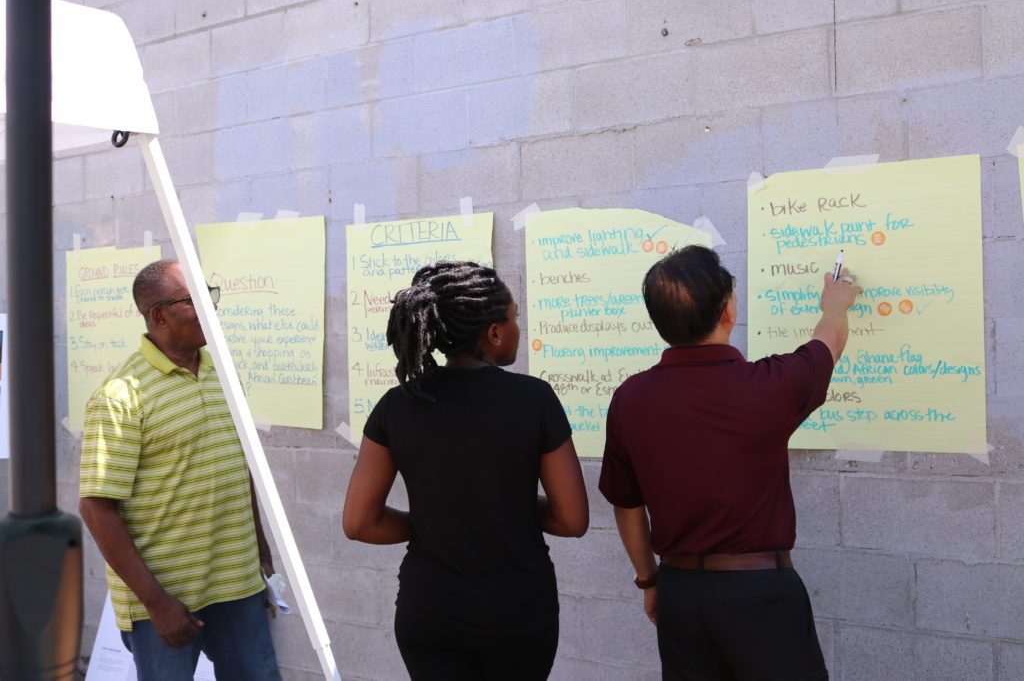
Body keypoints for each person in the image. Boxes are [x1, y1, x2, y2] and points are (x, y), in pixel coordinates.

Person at [599, 245, 862, 681]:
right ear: (728, 311)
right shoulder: (768, 385)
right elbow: (828, 341)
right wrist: (835, 303)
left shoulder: (631, 397)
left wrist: (649, 581)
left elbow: (627, 505)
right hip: (760, 595)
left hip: (680, 594)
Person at [343, 260, 589, 680]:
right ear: (493, 333)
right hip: (516, 612)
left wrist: (434, 522)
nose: (517, 328)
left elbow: (360, 523)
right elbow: (572, 520)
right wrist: (502, 510)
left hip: (429, 611)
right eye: (514, 319)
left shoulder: (396, 405)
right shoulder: (534, 400)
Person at [79, 259, 281, 681]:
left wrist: (260, 551)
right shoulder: (119, 396)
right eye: (195, 300)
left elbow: (236, 465)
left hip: (237, 582)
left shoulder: (223, 374)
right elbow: (97, 509)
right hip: (165, 599)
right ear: (159, 315)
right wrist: (156, 603)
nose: (210, 308)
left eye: (211, 296)